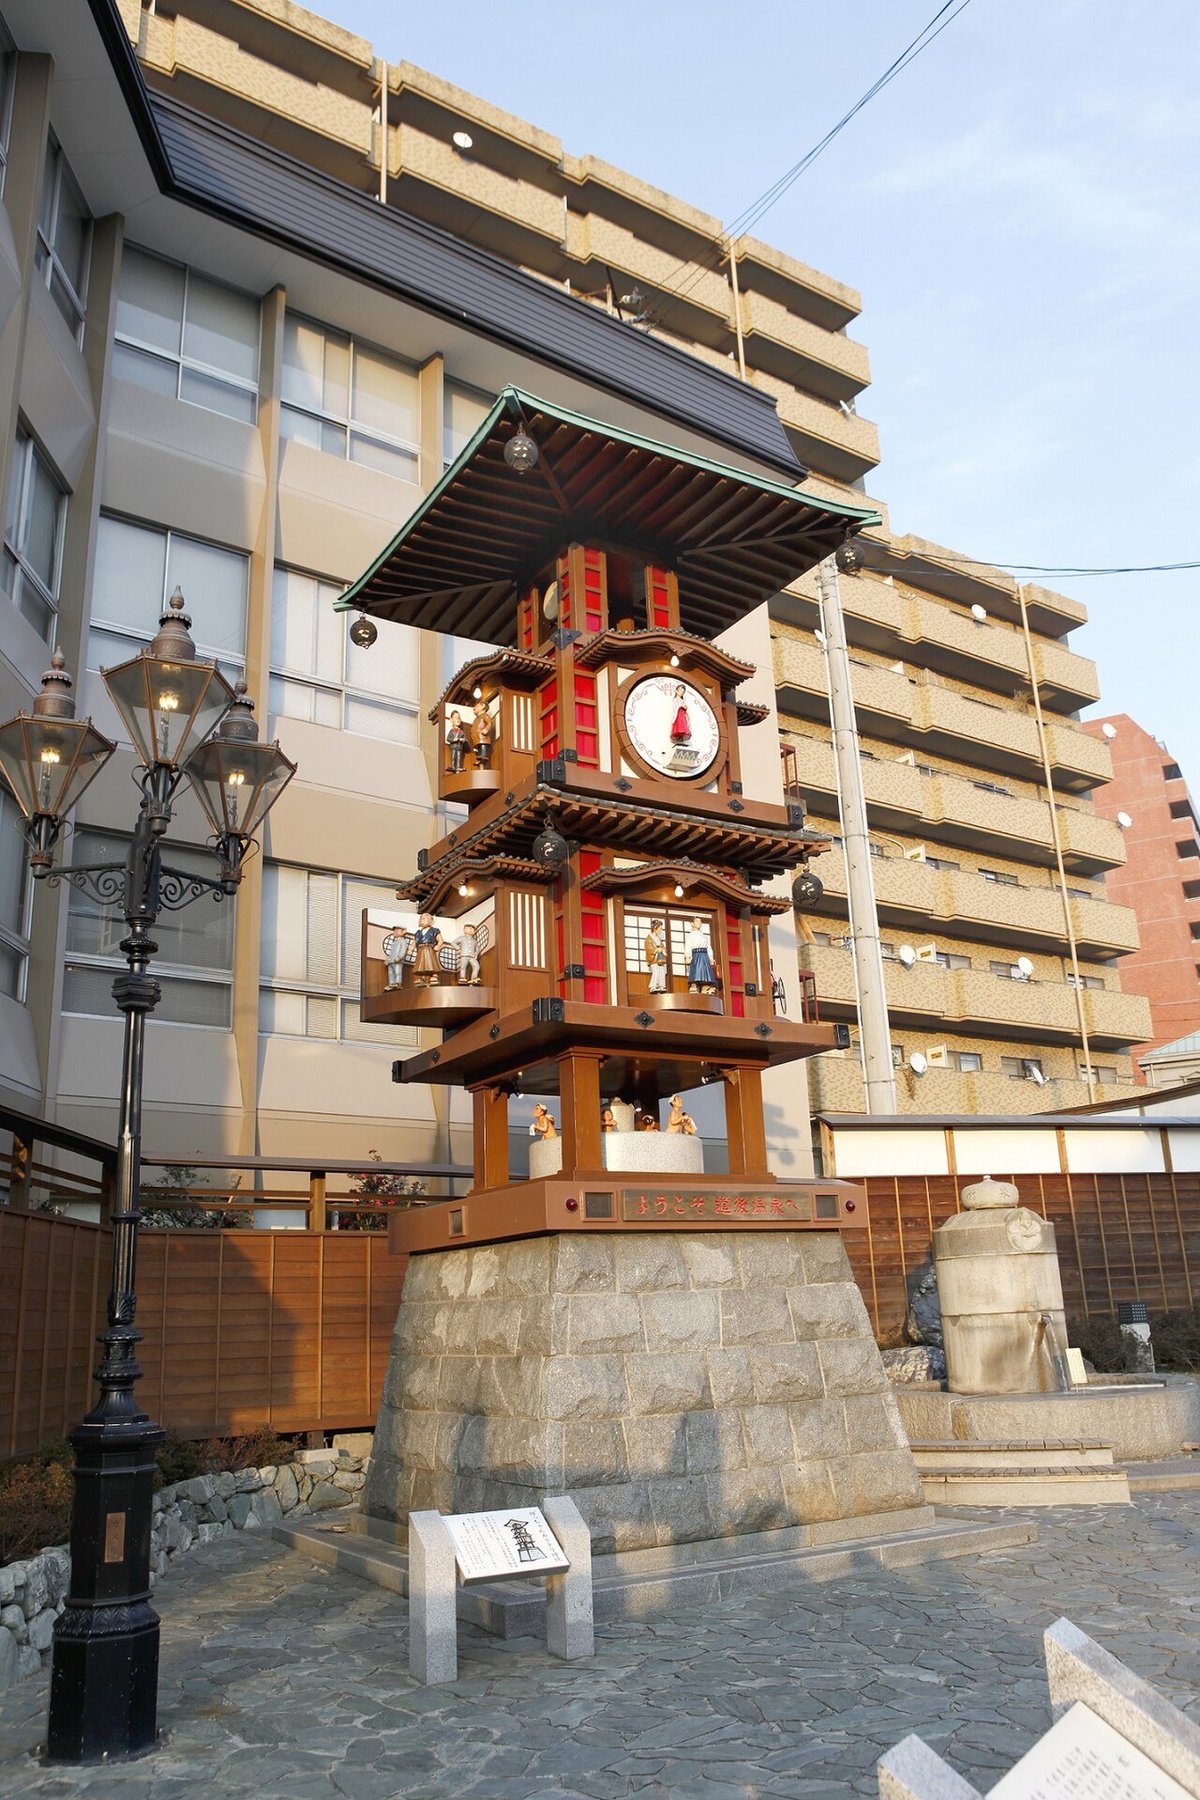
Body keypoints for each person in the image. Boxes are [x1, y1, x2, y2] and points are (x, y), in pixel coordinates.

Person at [685, 915, 718, 994]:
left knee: (706, 971)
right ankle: (694, 985)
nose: (699, 923)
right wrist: (688, 956)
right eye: (697, 921)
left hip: (704, 955)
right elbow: (688, 946)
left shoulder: (704, 937)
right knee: (696, 970)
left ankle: (705, 987)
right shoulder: (690, 936)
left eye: (700, 921)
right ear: (692, 923)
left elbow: (709, 948)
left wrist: (711, 957)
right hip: (696, 954)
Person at [412, 913, 442, 987]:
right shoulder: (418, 933)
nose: (423, 919)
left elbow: (440, 940)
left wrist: (438, 945)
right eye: (421, 918)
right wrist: (410, 949)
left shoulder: (435, 930)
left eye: (426, 918)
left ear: (431, 921)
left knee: (432, 962)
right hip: (421, 949)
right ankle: (423, 978)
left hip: (430, 948)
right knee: (422, 964)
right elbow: (414, 942)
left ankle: (434, 976)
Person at [382, 926, 410, 991]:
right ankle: (391, 983)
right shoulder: (394, 942)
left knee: (398, 972)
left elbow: (403, 950)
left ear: (403, 931)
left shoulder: (403, 941)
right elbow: (391, 952)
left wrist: (399, 957)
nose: (395, 932)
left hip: (397, 961)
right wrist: (387, 959)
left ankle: (398, 983)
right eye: (394, 930)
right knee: (391, 973)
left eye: (397, 930)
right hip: (391, 960)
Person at [471, 697, 495, 769]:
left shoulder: (484, 715)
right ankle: (479, 760)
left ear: (483, 706)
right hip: (477, 739)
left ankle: (483, 757)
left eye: (477, 706)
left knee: (482, 748)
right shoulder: (476, 719)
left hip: (482, 738)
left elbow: (490, 722)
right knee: (478, 751)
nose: (474, 708)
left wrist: (486, 729)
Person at [645, 918, 668, 993]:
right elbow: (649, 948)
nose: (661, 930)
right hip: (654, 959)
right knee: (656, 972)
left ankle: (661, 986)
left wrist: (662, 949)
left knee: (661, 971)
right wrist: (656, 950)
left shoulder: (658, 939)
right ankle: (653, 986)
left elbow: (662, 946)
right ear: (655, 928)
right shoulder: (649, 938)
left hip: (660, 958)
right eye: (660, 928)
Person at [445, 708, 468, 774]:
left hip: (459, 747)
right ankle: (453, 766)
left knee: (459, 757)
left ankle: (458, 767)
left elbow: (465, 739)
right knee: (453, 757)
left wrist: (462, 740)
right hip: (453, 747)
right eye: (455, 717)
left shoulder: (461, 732)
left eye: (458, 718)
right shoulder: (451, 731)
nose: (457, 719)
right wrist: (453, 740)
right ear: (451, 720)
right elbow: (448, 739)